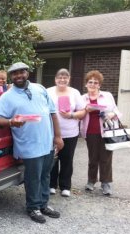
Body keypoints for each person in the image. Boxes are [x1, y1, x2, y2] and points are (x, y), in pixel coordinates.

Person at [0, 62, 64, 224]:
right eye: (15, 73)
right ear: (11, 76)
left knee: (46, 175)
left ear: (27, 73)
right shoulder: (7, 96)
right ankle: (33, 207)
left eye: (21, 72)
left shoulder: (40, 89)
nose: (19, 76)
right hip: (28, 144)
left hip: (47, 142)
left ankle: (44, 204)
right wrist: (11, 122)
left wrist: (58, 137)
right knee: (33, 177)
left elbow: (53, 113)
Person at [80, 70, 121, 195]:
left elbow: (116, 110)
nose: (93, 84)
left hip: (107, 130)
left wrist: (112, 114)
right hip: (90, 131)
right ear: (86, 84)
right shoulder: (82, 98)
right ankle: (91, 180)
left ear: (99, 85)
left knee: (106, 158)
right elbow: (79, 114)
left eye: (96, 82)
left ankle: (106, 183)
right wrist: (86, 109)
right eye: (90, 82)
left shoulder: (107, 95)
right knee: (93, 158)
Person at [46, 69, 86, 197]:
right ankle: (51, 185)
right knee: (52, 159)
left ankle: (65, 186)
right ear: (55, 78)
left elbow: (83, 111)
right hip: (51, 132)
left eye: (65, 77)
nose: (62, 79)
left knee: (67, 159)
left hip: (70, 132)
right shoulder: (48, 91)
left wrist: (71, 115)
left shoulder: (74, 92)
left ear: (69, 79)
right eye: (60, 77)